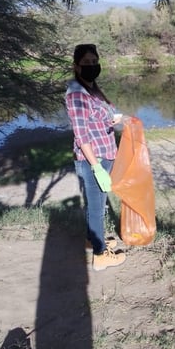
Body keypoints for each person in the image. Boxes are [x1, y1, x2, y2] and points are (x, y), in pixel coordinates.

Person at [65, 44, 126, 271]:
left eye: (94, 62)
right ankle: (101, 255)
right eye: (87, 63)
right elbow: (81, 135)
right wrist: (96, 167)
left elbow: (104, 114)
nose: (92, 66)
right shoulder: (76, 95)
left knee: (96, 205)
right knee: (97, 207)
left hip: (105, 154)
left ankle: (93, 240)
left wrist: (115, 119)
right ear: (76, 66)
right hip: (93, 159)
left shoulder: (92, 89)